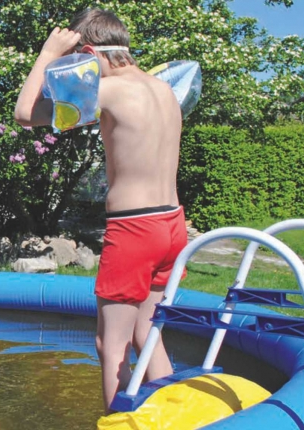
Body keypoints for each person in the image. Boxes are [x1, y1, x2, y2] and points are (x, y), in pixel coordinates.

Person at [13, 7, 187, 412]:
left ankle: (115, 422)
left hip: (135, 229)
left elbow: (24, 114)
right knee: (148, 336)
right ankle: (178, 417)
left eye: (77, 62)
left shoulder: (108, 91)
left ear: (90, 53)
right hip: (172, 224)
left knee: (110, 346)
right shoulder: (164, 89)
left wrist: (47, 54)